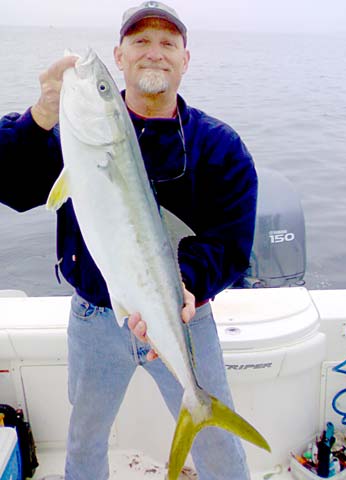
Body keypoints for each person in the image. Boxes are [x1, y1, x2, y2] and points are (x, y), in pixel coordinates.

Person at [0, 2, 257, 479]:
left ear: (185, 58)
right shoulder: (69, 133)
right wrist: (40, 115)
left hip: (183, 317)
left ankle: (200, 409)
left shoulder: (219, 146)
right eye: (140, 41)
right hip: (95, 319)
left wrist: (185, 284)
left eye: (167, 43)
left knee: (219, 449)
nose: (153, 53)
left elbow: (231, 242)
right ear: (119, 56)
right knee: (84, 440)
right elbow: (10, 185)